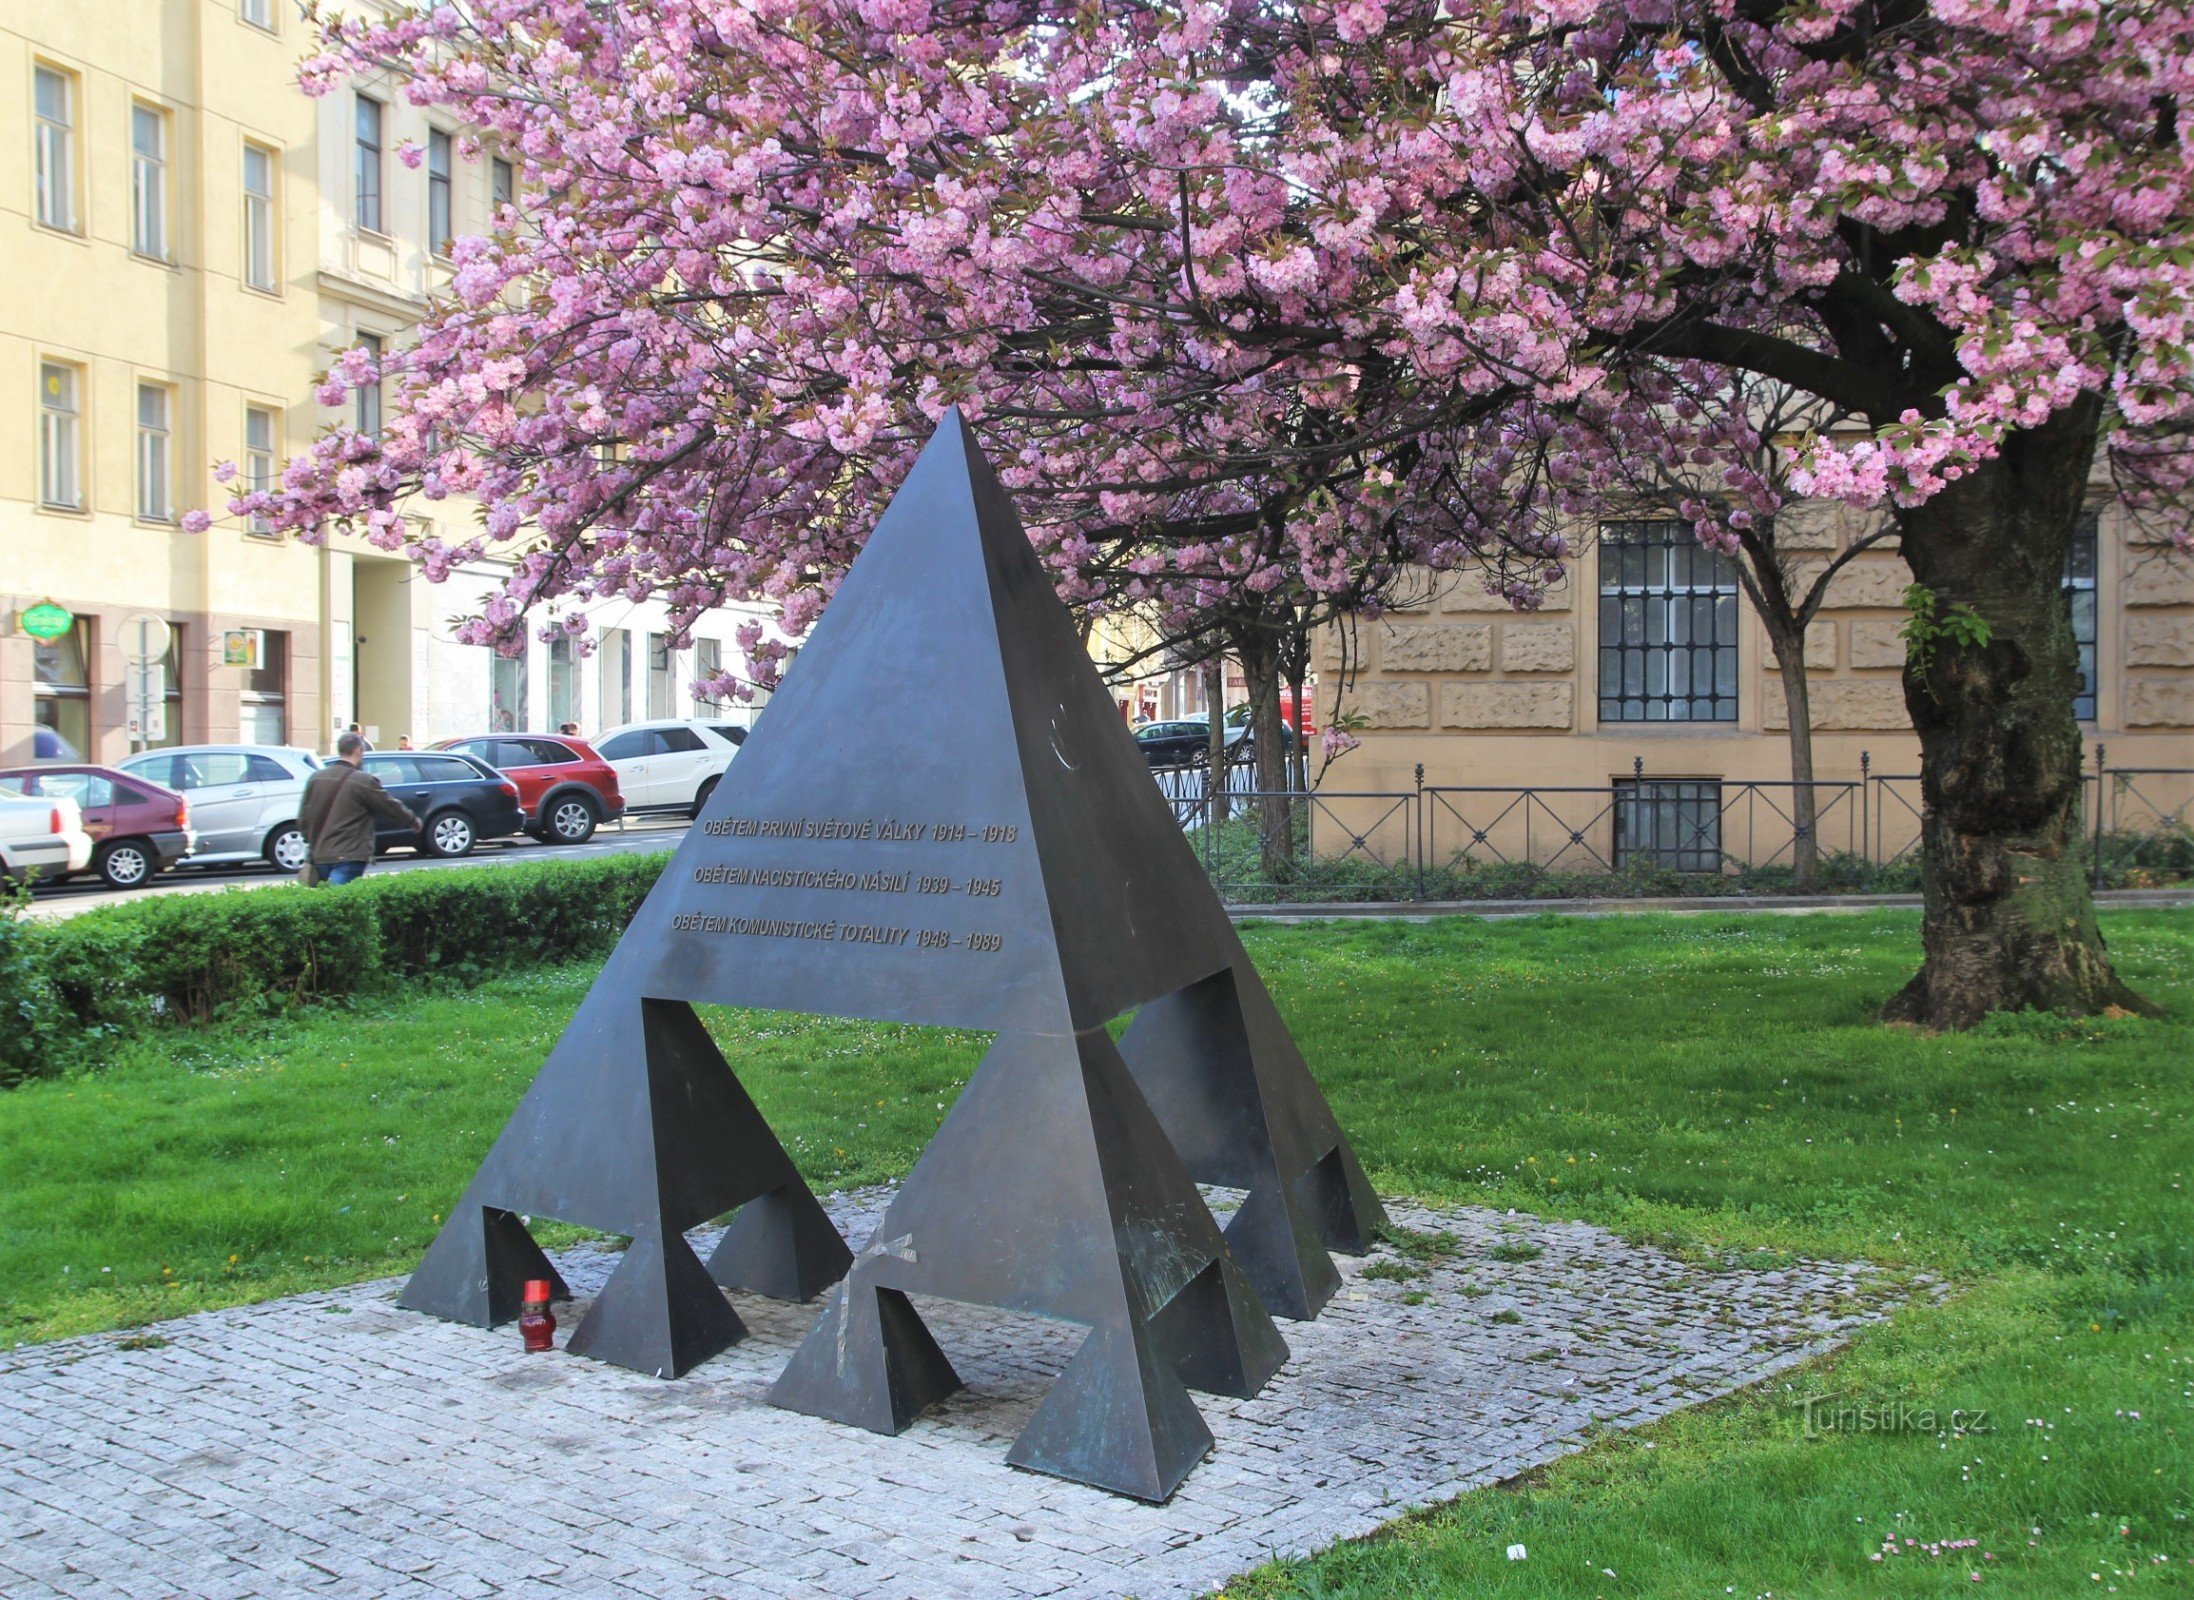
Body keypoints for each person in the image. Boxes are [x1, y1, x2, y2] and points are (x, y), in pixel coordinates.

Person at [301, 731, 419, 886]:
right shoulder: (363, 781)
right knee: (341, 904)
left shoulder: (316, 778)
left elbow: (303, 818)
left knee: (327, 905)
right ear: (358, 750)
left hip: (320, 856)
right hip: (349, 854)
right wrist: (412, 821)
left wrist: (311, 840)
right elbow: (389, 805)